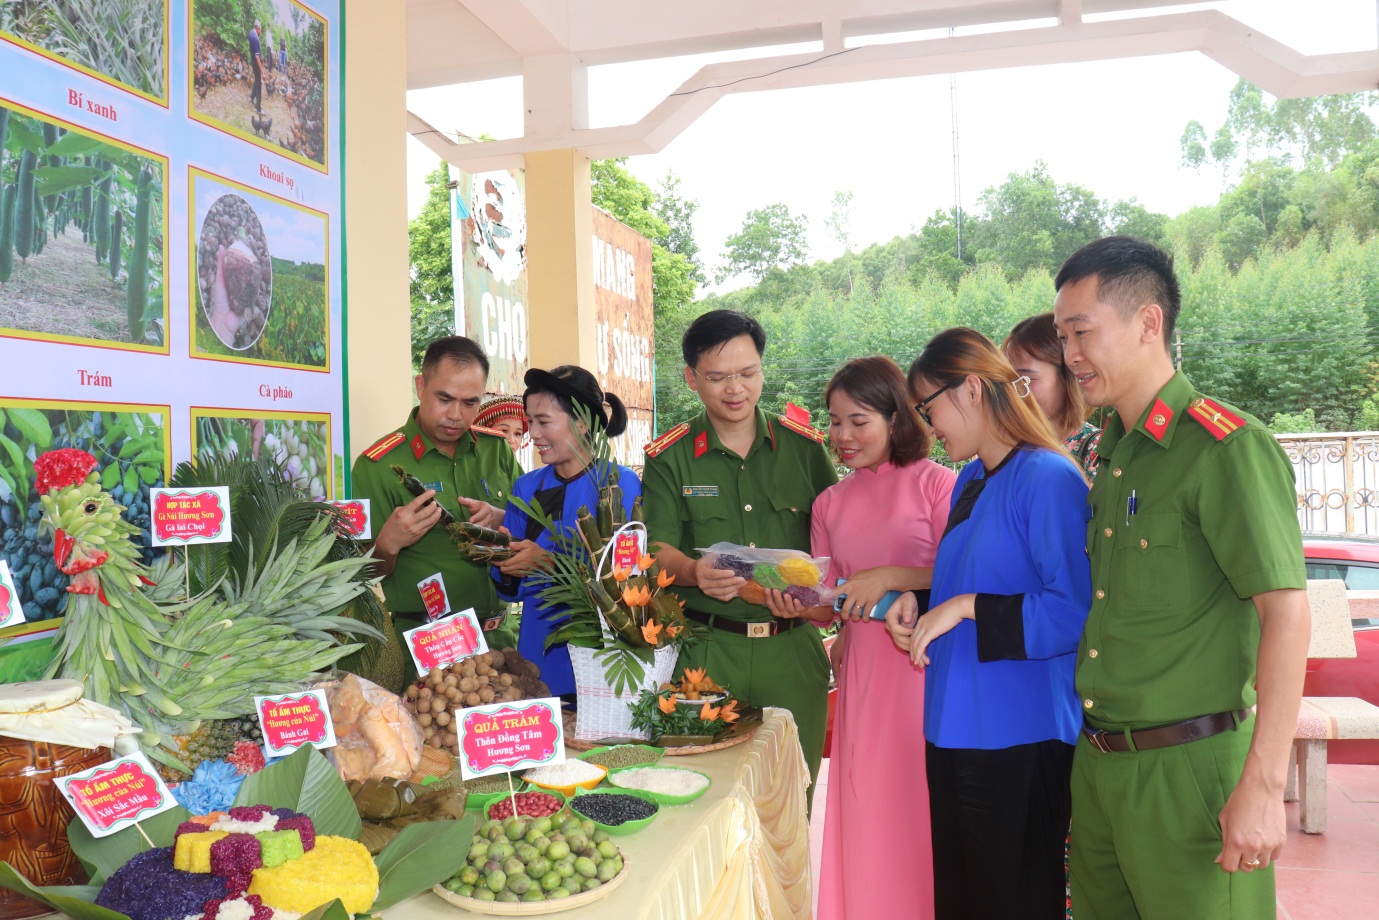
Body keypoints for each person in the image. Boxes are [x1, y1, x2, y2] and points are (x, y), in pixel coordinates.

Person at [1053, 236, 1310, 920]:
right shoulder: (1110, 455)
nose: (1069, 356)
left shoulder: (1223, 447)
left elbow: (1285, 612)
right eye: (1061, 337)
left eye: (1081, 333)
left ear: (1147, 323)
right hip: (1102, 762)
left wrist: (1261, 783)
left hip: (1190, 770)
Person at [885, 327, 1091, 920]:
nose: (928, 426)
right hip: (954, 725)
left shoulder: (1048, 478)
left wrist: (967, 606)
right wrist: (920, 610)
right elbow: (965, 586)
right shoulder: (972, 479)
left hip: (1019, 733)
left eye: (929, 408)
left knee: (1016, 901)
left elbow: (1073, 612)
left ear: (971, 389)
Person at [766, 356, 955, 920]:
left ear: (897, 418)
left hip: (927, 668)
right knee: (866, 808)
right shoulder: (830, 503)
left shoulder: (938, 484)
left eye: (858, 421)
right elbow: (828, 606)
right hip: (864, 677)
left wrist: (894, 579)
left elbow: (963, 575)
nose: (841, 436)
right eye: (834, 421)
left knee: (920, 807)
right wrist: (792, 601)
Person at [641, 309, 837, 805]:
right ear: (691, 378)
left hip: (792, 653)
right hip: (709, 653)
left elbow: (839, 542)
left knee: (793, 803)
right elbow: (657, 549)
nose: (736, 389)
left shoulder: (804, 450)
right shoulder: (670, 457)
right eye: (719, 377)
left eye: (748, 373)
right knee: (709, 804)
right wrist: (692, 572)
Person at [350, 336, 521, 682]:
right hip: (430, 650)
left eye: (470, 402)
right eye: (444, 399)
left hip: (502, 642)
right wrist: (389, 542)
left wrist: (503, 521)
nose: (456, 415)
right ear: (420, 386)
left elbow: (530, 533)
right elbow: (358, 576)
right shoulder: (377, 465)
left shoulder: (496, 451)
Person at [493, 367, 639, 698]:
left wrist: (550, 564)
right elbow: (510, 592)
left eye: (544, 422)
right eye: (530, 422)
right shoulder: (528, 487)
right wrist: (500, 557)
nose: (534, 434)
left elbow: (627, 581)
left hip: (605, 667)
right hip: (537, 667)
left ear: (583, 422)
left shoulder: (618, 485)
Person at [1005, 312, 1102, 478]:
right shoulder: (1007, 447)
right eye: (1008, 381)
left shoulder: (1096, 449)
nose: (1014, 391)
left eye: (1026, 380)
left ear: (1067, 377)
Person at [248, 21, 263, 114]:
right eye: (260, 30)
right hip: (256, 62)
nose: (260, 32)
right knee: (258, 83)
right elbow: (257, 56)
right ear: (258, 28)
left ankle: (251, 97)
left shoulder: (251, 33)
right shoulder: (256, 39)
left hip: (252, 60)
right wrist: (262, 71)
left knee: (256, 80)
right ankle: (258, 107)